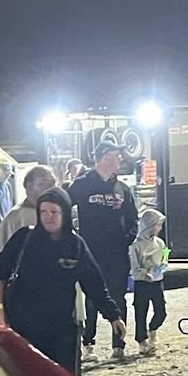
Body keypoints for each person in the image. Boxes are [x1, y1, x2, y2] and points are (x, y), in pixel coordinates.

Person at [0, 186, 125, 374]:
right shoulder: (23, 239)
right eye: (43, 211)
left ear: (65, 214)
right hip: (23, 330)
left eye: (54, 211)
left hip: (62, 334)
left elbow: (94, 284)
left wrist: (113, 316)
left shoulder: (75, 245)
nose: (48, 216)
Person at [68, 141, 138, 363]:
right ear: (105, 157)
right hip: (91, 254)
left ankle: (119, 345)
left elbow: (133, 218)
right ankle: (88, 345)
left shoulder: (122, 189)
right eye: (117, 156)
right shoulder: (82, 184)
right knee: (92, 298)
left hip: (117, 255)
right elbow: (63, 206)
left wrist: (127, 238)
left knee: (118, 298)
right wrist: (73, 238)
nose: (120, 160)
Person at [0, 165, 58, 256]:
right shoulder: (15, 218)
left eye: (53, 184)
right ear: (28, 185)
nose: (50, 189)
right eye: (43, 184)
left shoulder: (59, 214)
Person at [129, 207, 167, 356]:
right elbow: (134, 268)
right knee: (141, 312)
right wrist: (145, 274)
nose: (160, 228)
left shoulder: (161, 243)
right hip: (142, 284)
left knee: (161, 311)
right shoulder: (135, 245)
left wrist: (161, 270)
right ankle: (142, 341)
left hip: (157, 282)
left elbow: (165, 257)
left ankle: (153, 329)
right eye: (157, 224)